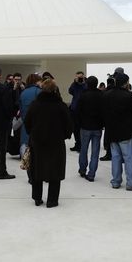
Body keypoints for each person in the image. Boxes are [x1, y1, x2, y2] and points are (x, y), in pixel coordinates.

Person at [25, 79, 73, 208]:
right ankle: (52, 200)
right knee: (55, 170)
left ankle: (37, 197)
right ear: (55, 90)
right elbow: (68, 124)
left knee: (37, 168)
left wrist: (32, 133)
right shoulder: (60, 105)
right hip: (56, 142)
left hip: (37, 141)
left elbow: (27, 122)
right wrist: (65, 135)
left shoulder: (34, 105)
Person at [103, 72, 132, 191]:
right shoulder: (129, 95)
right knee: (129, 157)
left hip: (112, 131)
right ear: (126, 83)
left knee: (115, 157)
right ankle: (130, 183)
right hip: (127, 131)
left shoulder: (106, 95)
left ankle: (116, 181)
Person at [77, 75, 104, 182]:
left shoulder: (83, 95)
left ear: (87, 83)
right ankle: (92, 174)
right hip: (97, 126)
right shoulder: (101, 95)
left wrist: (79, 123)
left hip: (85, 126)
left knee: (83, 149)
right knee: (95, 151)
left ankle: (83, 169)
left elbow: (78, 110)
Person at [19, 73, 42, 157]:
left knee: (25, 146)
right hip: (37, 125)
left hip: (25, 123)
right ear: (36, 81)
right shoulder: (39, 91)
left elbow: (21, 110)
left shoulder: (23, 92)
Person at [68, 71, 87, 152]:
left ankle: (81, 145)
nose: (79, 79)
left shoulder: (86, 84)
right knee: (75, 129)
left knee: (81, 129)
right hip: (74, 109)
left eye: (81, 77)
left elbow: (86, 91)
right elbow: (70, 91)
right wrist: (74, 83)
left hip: (82, 109)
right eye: (78, 77)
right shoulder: (74, 84)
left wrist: (82, 83)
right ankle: (77, 143)